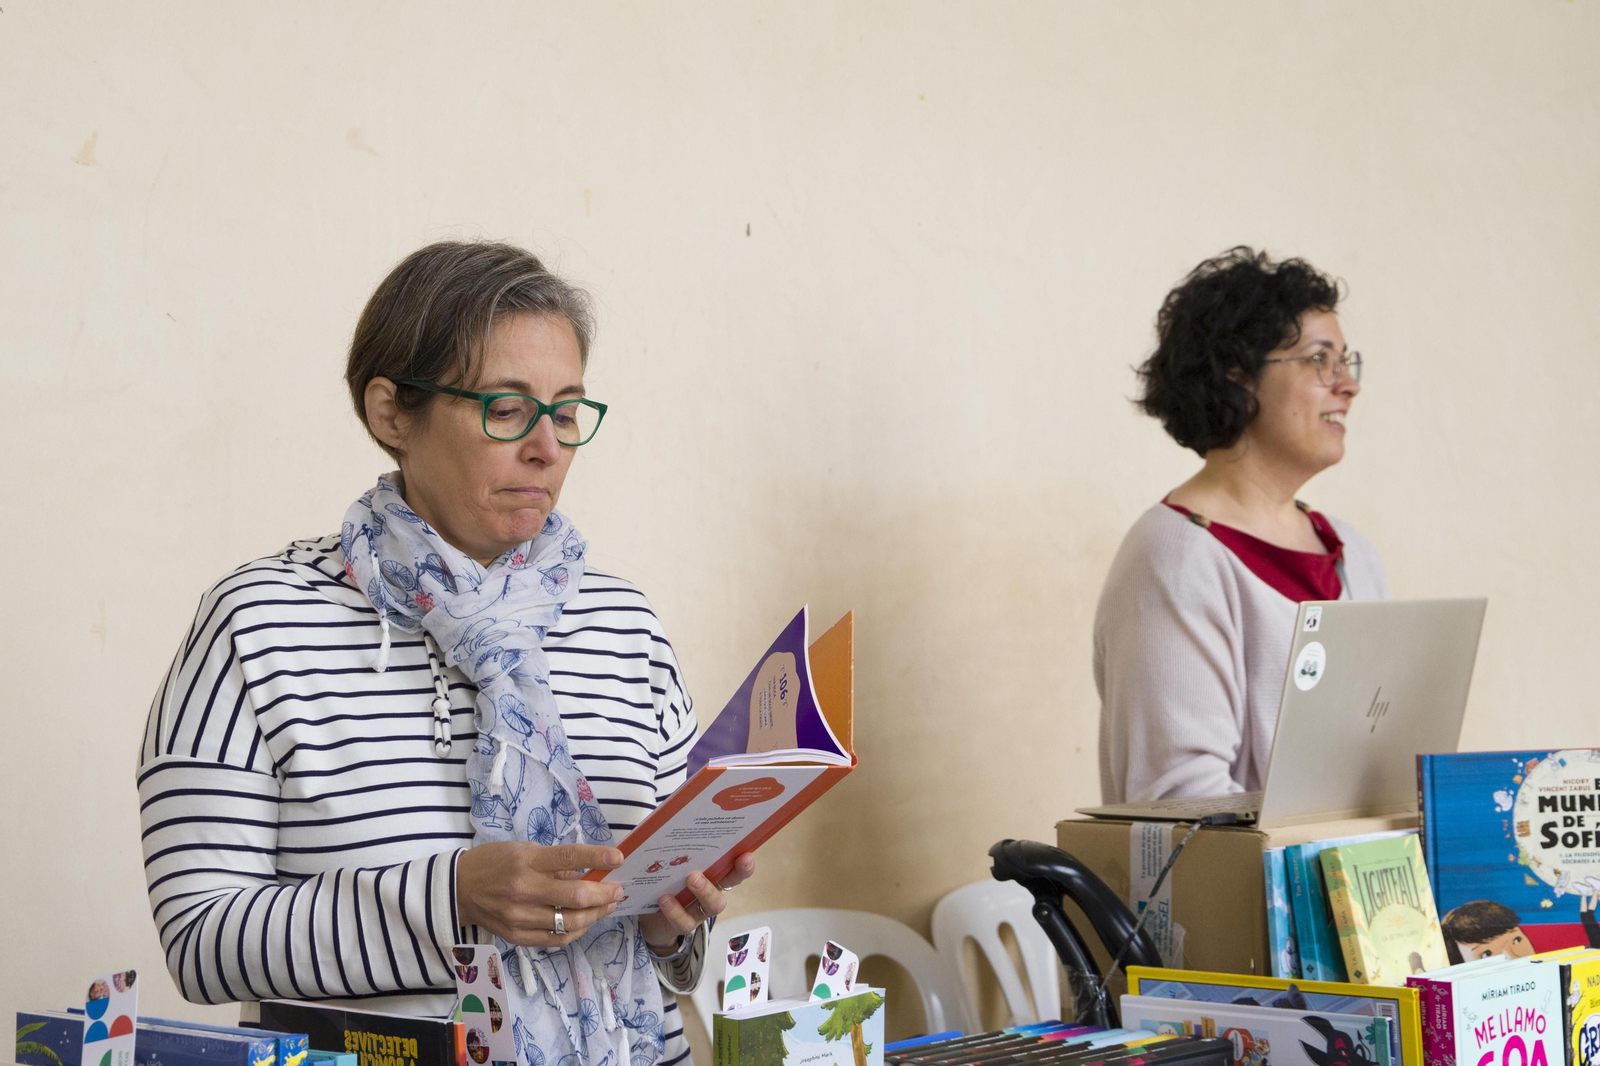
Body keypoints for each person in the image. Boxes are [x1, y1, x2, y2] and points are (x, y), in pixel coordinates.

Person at [137, 241, 753, 1066]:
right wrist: (452, 898)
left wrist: (669, 922)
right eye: (506, 408)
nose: (547, 449)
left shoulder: (623, 623)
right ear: (392, 412)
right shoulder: (258, 622)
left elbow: (669, 945)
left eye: (566, 412)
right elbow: (199, 938)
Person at [1096, 247, 1389, 803]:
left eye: (1346, 362)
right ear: (1237, 374)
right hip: (1239, 890)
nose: (1347, 385)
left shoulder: (1353, 551)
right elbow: (1181, 800)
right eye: (1320, 359)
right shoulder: (1175, 557)